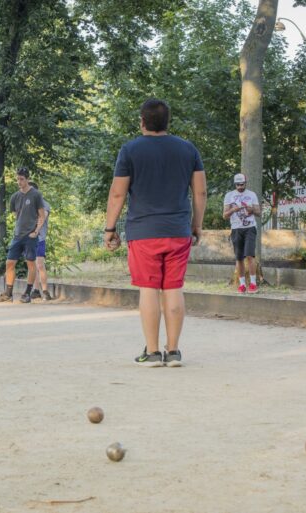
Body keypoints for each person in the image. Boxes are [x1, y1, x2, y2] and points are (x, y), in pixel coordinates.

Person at [103, 99, 207, 368]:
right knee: (173, 288)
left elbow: (117, 193)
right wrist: (196, 225)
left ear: (142, 122)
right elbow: (200, 192)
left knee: (149, 288)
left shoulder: (130, 150)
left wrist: (110, 228)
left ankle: (151, 353)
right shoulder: (188, 149)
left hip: (143, 232)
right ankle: (173, 352)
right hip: (178, 231)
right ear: (167, 122)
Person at [0, 167, 47, 304]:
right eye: (17, 179)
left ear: (27, 179)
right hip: (17, 236)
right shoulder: (15, 197)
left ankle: (27, 293)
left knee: (31, 263)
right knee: (9, 263)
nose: (19, 181)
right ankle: (8, 294)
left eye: (21, 179)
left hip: (31, 236)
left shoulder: (36, 195)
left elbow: (42, 216)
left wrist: (36, 231)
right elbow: (17, 215)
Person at [223, 173, 261, 294]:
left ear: (245, 183)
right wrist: (234, 209)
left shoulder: (251, 194)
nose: (240, 187)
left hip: (250, 228)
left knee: (250, 255)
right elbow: (224, 215)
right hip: (236, 229)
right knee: (239, 258)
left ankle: (253, 284)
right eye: (238, 185)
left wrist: (251, 210)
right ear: (235, 184)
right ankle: (242, 284)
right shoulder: (229, 196)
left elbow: (259, 212)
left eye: (242, 184)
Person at [28, 182, 52, 301]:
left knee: (39, 265)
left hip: (40, 238)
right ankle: (36, 291)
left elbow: (41, 218)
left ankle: (45, 291)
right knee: (32, 265)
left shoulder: (44, 204)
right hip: (29, 239)